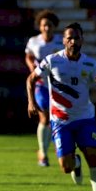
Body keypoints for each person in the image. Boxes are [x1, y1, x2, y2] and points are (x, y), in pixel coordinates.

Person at [27, 22, 96, 191]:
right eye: (69, 38)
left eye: (76, 38)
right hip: (60, 121)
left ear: (82, 40)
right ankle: (76, 163)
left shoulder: (90, 64)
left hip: (85, 118)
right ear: (64, 41)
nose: (73, 41)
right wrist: (31, 102)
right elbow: (31, 79)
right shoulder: (52, 60)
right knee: (66, 167)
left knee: (94, 160)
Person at [25, 10, 62, 166]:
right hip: (41, 85)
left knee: (57, 119)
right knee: (44, 117)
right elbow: (28, 56)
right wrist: (32, 68)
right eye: (44, 25)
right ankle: (43, 154)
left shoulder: (61, 41)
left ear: (54, 27)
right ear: (40, 27)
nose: (47, 28)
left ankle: (54, 147)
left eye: (49, 25)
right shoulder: (34, 41)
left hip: (58, 86)